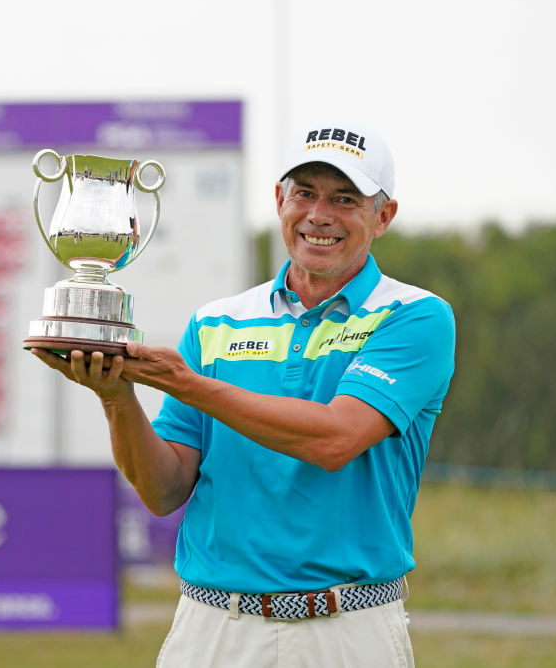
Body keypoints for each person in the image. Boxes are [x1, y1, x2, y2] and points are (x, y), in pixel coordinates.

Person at [32, 118, 456, 667]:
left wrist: (186, 384)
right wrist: (117, 399)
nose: (319, 215)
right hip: (211, 629)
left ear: (384, 217)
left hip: (347, 630)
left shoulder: (416, 316)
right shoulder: (216, 323)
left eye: (345, 198)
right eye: (304, 193)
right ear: (279, 200)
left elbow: (335, 439)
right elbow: (164, 491)